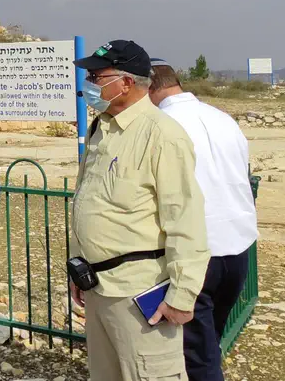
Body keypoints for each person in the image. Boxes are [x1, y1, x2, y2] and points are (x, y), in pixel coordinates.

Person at [70, 40, 210, 381]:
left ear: (126, 83)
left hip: (138, 292)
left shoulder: (162, 135)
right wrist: (78, 266)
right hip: (98, 287)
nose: (88, 84)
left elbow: (186, 221)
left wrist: (181, 296)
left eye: (96, 77)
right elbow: (91, 202)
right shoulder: (101, 128)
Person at [149, 59, 258, 381]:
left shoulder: (162, 125)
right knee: (211, 338)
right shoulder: (223, 118)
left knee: (195, 355)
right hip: (236, 247)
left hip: (196, 252)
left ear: (149, 88)